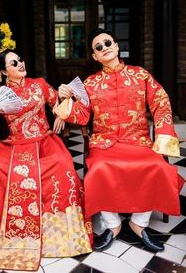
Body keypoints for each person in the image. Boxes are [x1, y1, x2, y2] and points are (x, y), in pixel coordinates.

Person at [55, 28, 184, 252]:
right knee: (99, 169)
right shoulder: (90, 83)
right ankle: (112, 225)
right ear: (95, 56)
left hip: (138, 141)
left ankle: (138, 223)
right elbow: (83, 115)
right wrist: (66, 104)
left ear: (116, 46)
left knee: (157, 166)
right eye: (98, 47)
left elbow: (161, 100)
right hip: (104, 143)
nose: (104, 48)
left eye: (108, 43)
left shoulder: (140, 75)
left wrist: (162, 134)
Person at [0, 49, 92, 271]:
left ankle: (60, 237)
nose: (20, 63)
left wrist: (59, 113)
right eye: (13, 62)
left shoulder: (39, 84)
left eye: (21, 59)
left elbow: (58, 102)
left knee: (63, 166)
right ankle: (0, 236)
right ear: (3, 70)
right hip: (14, 144)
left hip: (44, 141)